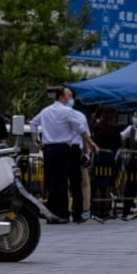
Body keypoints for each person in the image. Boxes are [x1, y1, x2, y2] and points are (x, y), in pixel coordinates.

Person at [29, 86, 99, 223]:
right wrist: (91, 143)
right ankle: (68, 213)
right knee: (67, 181)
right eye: (68, 96)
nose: (70, 99)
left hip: (48, 149)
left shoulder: (45, 111)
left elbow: (33, 123)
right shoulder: (68, 112)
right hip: (64, 148)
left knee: (52, 182)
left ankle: (55, 213)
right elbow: (81, 130)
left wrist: (36, 141)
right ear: (62, 97)